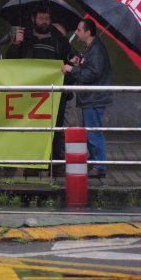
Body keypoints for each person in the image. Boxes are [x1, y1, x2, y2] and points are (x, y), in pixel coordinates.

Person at [7, 5, 75, 176]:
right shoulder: (25, 38)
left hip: (55, 94)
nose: (44, 22)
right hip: (30, 95)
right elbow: (10, 60)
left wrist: (72, 66)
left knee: (56, 130)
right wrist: (16, 44)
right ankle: (32, 164)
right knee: (32, 129)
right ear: (33, 19)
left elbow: (70, 62)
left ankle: (56, 164)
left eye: (47, 19)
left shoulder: (60, 40)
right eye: (41, 18)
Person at [62, 18, 112, 178]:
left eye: (78, 30)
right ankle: (96, 162)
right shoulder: (91, 48)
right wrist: (79, 63)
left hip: (94, 97)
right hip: (91, 97)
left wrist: (72, 69)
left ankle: (98, 165)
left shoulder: (96, 50)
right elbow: (90, 68)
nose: (76, 33)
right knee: (92, 131)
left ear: (87, 32)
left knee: (93, 132)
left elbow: (93, 73)